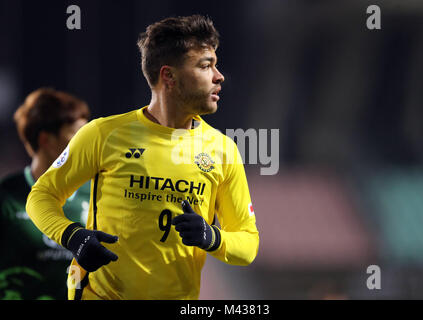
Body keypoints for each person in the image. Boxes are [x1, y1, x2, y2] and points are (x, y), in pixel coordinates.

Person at [26, 15, 259, 300]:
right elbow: (41, 196)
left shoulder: (223, 151)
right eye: (205, 65)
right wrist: (72, 235)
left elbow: (248, 244)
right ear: (168, 76)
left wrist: (212, 237)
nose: (219, 76)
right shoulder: (102, 134)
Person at [0, 88, 91, 300]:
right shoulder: (7, 197)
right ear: (45, 140)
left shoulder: (95, 194)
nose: (87, 146)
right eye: (78, 137)